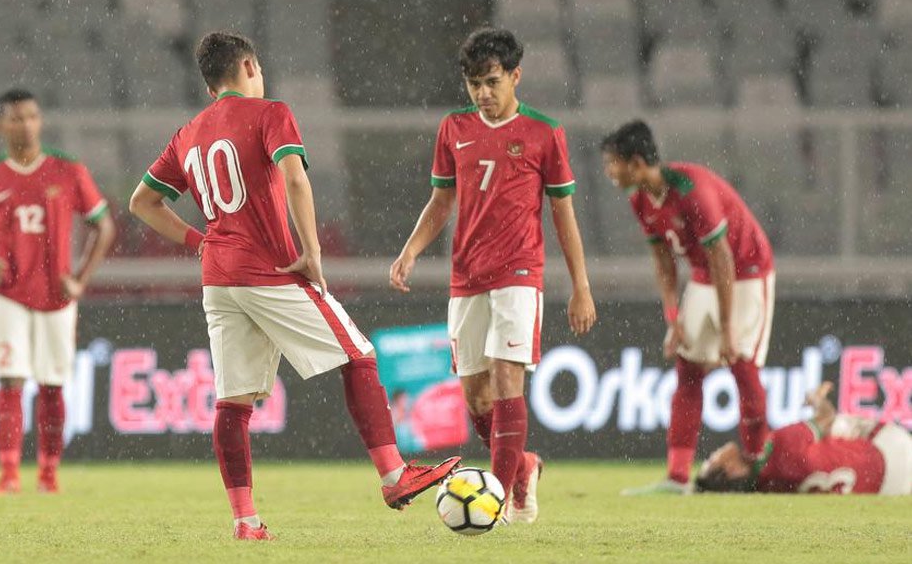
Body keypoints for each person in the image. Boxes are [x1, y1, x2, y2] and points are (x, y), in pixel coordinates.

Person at [129, 32, 460, 541]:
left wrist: (200, 239)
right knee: (360, 356)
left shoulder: (188, 133)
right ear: (247, 66)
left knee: (233, 403)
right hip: (270, 268)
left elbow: (142, 203)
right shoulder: (269, 113)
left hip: (218, 278)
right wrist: (313, 251)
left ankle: (246, 521)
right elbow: (296, 178)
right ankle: (395, 476)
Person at [390, 27, 597, 524]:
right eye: (473, 84)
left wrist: (580, 286)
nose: (483, 93)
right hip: (467, 276)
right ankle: (522, 466)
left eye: (492, 82)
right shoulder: (454, 129)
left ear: (515, 76)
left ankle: (499, 498)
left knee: (508, 379)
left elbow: (563, 214)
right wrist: (411, 250)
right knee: (475, 395)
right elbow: (442, 201)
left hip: (519, 273)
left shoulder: (545, 133)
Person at [0, 89, 116, 496]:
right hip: (8, 294)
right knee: (9, 381)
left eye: (32, 116)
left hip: (56, 296)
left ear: (39, 120)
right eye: (16, 117)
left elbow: (104, 225)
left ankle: (48, 474)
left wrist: (80, 278)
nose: (26, 124)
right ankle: (9, 475)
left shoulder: (67, 170)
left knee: (52, 385)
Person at [601, 119, 773, 495]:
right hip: (704, 275)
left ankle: (761, 468)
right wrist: (673, 318)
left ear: (635, 161)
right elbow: (663, 261)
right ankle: (677, 478)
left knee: (741, 365)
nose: (609, 171)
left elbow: (723, 258)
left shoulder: (692, 190)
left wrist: (727, 329)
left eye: (613, 162)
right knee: (688, 368)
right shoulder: (640, 199)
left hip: (745, 271)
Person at [696, 382, 912, 495]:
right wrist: (817, 399)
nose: (713, 454)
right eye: (711, 462)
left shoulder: (766, 489)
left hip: (888, 491)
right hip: (893, 451)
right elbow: (827, 416)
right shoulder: (780, 445)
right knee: (835, 425)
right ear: (733, 470)